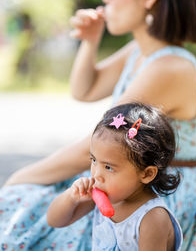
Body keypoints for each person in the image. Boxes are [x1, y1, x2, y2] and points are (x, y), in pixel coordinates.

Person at [0, 0, 196, 250]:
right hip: (118, 174)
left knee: (17, 203)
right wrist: (90, 41)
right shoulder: (139, 52)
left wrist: (21, 177)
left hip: (147, 193)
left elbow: (96, 145)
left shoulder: (170, 67)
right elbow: (86, 89)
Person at [47, 103, 183, 251]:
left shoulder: (152, 218)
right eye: (94, 160)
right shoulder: (104, 195)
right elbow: (55, 221)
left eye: (108, 167)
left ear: (146, 174)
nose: (97, 175)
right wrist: (71, 197)